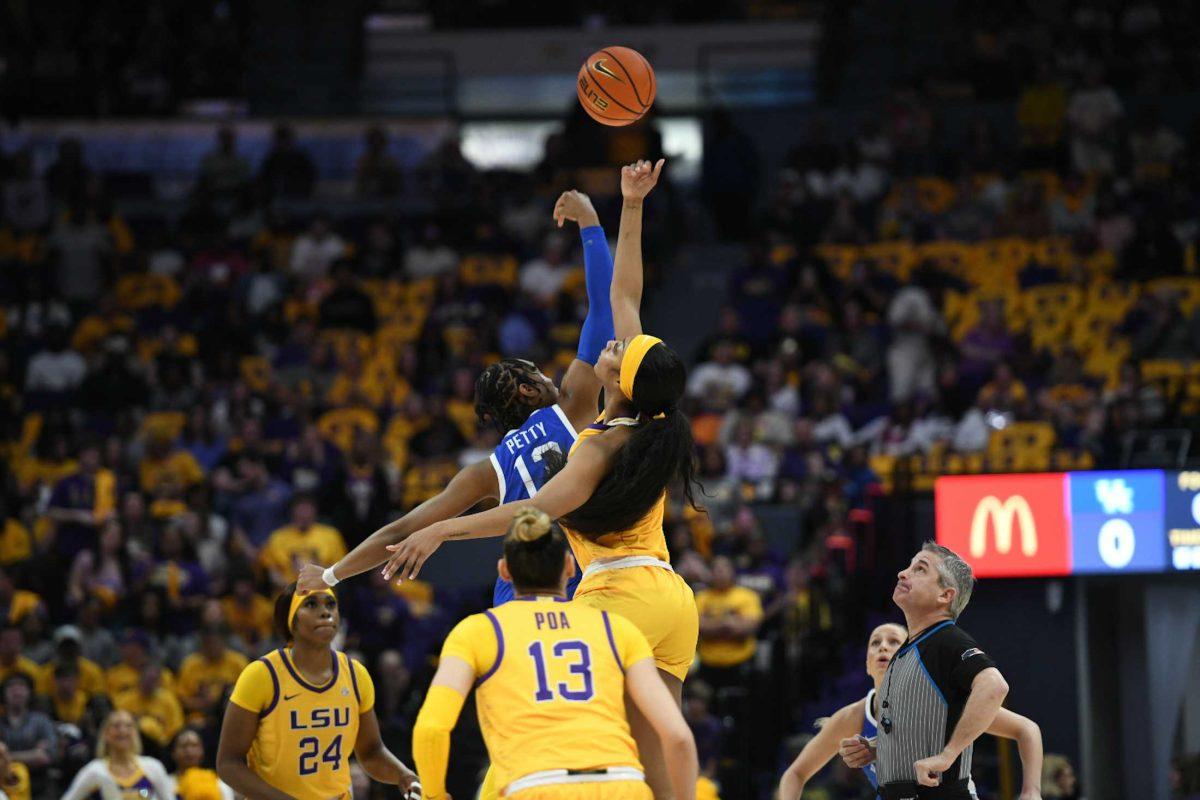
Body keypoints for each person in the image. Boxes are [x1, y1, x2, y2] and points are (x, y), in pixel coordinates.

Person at [386, 159, 701, 800]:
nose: (611, 345)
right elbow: (626, 297)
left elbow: (529, 509)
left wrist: (444, 528)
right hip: (675, 602)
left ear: (620, 379)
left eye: (618, 351)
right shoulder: (652, 420)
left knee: (561, 724)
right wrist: (631, 205)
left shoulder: (600, 446)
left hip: (620, 598)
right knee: (658, 755)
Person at [296, 189, 619, 607]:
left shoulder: (485, 471)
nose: (546, 375)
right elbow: (602, 309)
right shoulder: (572, 404)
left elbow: (400, 531)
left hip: (518, 587)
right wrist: (590, 225)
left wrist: (330, 574)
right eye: (536, 372)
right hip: (582, 574)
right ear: (526, 389)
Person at [411, 508, 698, 800]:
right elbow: (677, 736)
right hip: (621, 784)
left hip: (535, 784)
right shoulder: (616, 630)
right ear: (569, 567)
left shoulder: (478, 631)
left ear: (504, 572)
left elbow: (432, 728)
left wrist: (434, 795)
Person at [777, 622, 1043, 799]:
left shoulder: (941, 701)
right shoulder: (853, 717)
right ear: (868, 664)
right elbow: (795, 774)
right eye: (875, 642)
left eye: (894, 641)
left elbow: (1026, 729)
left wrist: (1031, 791)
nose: (883, 646)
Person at [215, 583, 420, 800]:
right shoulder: (262, 676)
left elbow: (371, 752)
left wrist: (402, 774)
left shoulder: (355, 675)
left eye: (331, 604)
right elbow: (228, 763)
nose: (325, 612)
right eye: (311, 604)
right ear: (291, 620)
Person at [838, 543, 1011, 799]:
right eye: (909, 566)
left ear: (945, 595)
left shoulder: (947, 640)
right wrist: (875, 748)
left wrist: (947, 756)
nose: (903, 573)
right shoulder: (908, 651)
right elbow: (916, 730)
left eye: (920, 569)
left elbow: (995, 686)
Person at [60, 710, 174, 800]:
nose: (123, 730)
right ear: (105, 734)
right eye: (116, 726)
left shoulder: (153, 767)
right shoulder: (95, 771)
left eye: (129, 726)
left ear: (135, 733)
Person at [167, 729, 234, 800]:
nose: (189, 750)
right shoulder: (165, 782)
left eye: (194, 745)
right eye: (184, 746)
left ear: (202, 751)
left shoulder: (219, 784)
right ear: (173, 752)